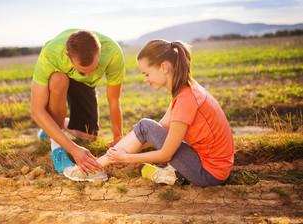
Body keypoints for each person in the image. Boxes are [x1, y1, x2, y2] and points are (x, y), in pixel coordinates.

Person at [63, 39, 235, 187]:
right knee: (147, 128)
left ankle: (92, 170)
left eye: (146, 73)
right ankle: (102, 165)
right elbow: (158, 130)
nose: (145, 79)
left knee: (145, 125)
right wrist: (120, 151)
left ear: (163, 67)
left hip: (208, 174)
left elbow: (165, 152)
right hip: (214, 166)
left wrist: (124, 158)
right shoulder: (186, 90)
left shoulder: (185, 100)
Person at [31, 29, 125, 177]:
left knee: (88, 135)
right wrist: (74, 150)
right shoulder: (50, 55)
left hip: (85, 85)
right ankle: (57, 148)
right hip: (60, 76)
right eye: (84, 71)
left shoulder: (113, 52)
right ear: (68, 57)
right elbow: (36, 111)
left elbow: (114, 100)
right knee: (58, 79)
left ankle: (50, 127)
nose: (89, 74)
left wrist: (118, 139)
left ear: (99, 52)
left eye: (93, 69)